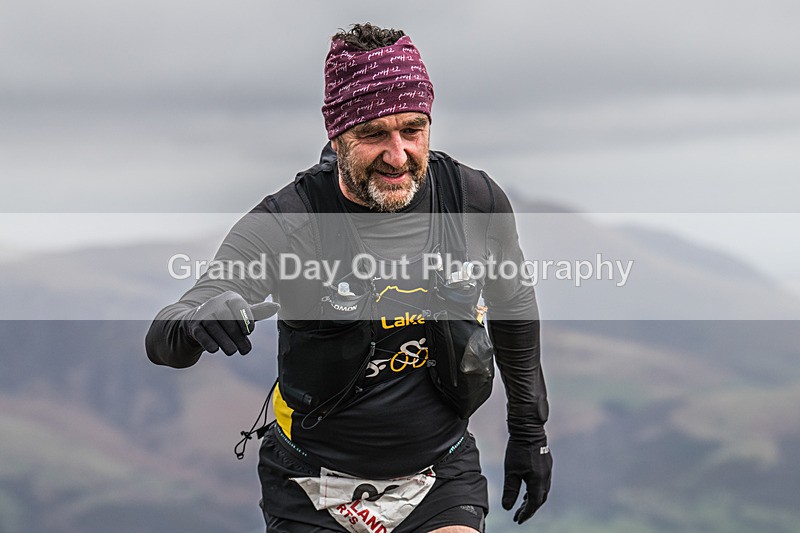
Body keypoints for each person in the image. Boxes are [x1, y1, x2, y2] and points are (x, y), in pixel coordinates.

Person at [146, 23, 551, 533]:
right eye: (373, 134)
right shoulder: (289, 220)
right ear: (337, 136)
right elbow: (166, 336)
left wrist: (529, 430)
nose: (398, 154)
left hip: (439, 478)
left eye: (413, 129)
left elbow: (514, 304)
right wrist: (198, 319)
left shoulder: (473, 201)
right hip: (310, 486)